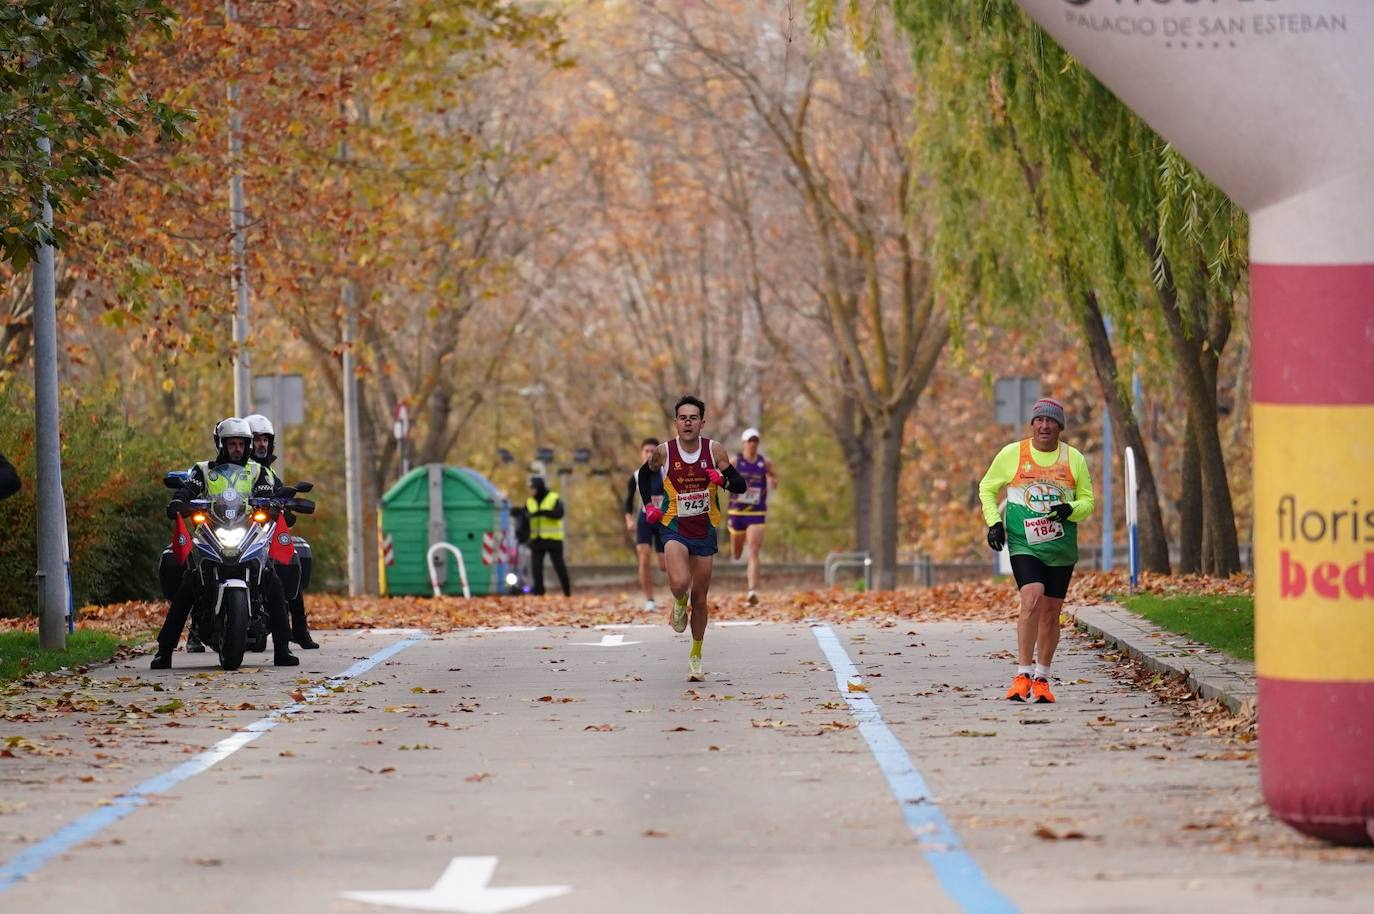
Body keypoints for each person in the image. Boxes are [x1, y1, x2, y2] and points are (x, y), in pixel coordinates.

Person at [153, 417, 298, 669]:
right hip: (211, 534)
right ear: (221, 445)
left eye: (242, 444)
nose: (237, 449)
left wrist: (273, 506)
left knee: (271, 581)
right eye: (232, 444)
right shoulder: (203, 471)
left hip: (247, 534)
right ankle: (164, 651)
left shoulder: (257, 471)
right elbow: (187, 489)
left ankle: (283, 649)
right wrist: (179, 501)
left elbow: (265, 493)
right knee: (187, 587)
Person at [978, 398, 1094, 704]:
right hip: (1023, 542)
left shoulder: (1074, 459)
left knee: (1051, 612)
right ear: (1032, 425)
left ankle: (1042, 678)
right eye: (1039, 420)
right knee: (1031, 597)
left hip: (1060, 546)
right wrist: (994, 523)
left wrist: (1069, 509)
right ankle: (1022, 674)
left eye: (1051, 421)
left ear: (1060, 427)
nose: (1044, 426)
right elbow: (987, 487)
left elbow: (1088, 502)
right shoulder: (1013, 454)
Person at [638, 395, 749, 681]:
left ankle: (696, 656)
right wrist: (650, 505)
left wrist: (721, 480)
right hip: (673, 525)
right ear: (676, 422)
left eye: (693, 418)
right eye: (682, 418)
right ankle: (677, 602)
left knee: (700, 599)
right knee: (679, 583)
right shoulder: (663, 452)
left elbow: (739, 483)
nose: (688, 422)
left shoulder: (714, 450)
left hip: (705, 529)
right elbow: (643, 475)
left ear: (702, 422)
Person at [244, 413, 317, 649]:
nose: (262, 444)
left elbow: (279, 500)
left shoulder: (269, 472)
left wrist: (286, 506)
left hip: (263, 534)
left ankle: (298, 628)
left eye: (265, 439)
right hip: (237, 533)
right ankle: (194, 631)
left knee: (293, 555)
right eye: (256, 439)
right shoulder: (234, 470)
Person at [727, 427, 777, 607]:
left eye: (756, 440)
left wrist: (772, 481)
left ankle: (752, 591)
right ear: (743, 443)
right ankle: (736, 550)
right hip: (737, 512)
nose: (753, 444)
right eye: (750, 440)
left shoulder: (765, 462)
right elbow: (721, 478)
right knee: (737, 553)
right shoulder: (735, 462)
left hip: (756, 512)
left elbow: (773, 477)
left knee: (754, 551)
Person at [624, 437, 666, 613]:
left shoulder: (666, 473)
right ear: (642, 454)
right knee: (644, 556)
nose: (649, 454)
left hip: (664, 520)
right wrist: (629, 519)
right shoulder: (635, 476)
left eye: (652, 451)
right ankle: (649, 600)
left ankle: (680, 595)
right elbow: (628, 501)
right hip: (644, 520)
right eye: (646, 451)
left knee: (664, 565)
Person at [527, 475, 571, 596]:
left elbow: (559, 513)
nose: (530, 491)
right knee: (536, 569)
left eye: (532, 488)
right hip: (536, 540)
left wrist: (543, 513)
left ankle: (567, 593)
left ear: (538, 488)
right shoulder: (530, 501)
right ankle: (539, 594)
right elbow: (525, 517)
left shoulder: (554, 498)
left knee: (559, 567)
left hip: (553, 539)